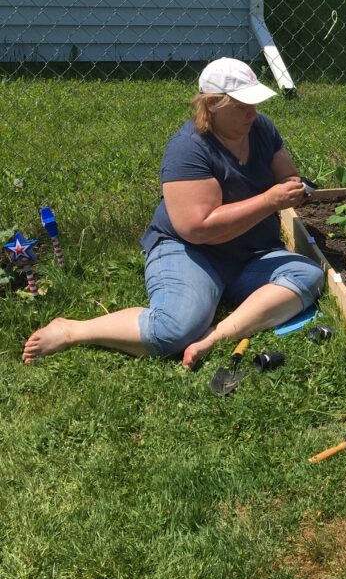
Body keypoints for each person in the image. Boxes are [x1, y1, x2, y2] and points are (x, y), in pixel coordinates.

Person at [22, 58, 325, 368]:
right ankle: (74, 330)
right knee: (173, 331)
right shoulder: (189, 149)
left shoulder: (261, 128)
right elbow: (197, 228)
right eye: (242, 105)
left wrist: (294, 188)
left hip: (251, 251)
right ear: (212, 105)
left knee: (309, 274)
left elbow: (287, 175)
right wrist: (268, 202)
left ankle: (213, 336)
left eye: (254, 103)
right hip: (193, 252)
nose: (252, 112)